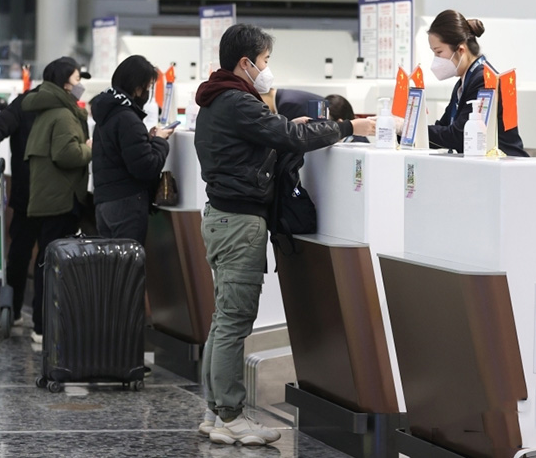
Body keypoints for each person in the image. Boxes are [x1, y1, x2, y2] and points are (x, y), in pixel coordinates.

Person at [193, 24, 375, 446]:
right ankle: (231, 416)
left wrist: (289, 125)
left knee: (223, 321)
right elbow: (288, 136)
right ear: (246, 63)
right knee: (235, 322)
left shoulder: (216, 99)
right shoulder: (237, 101)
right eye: (264, 62)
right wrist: (348, 127)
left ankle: (215, 412)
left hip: (222, 217)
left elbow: (272, 134)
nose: (266, 70)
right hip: (239, 223)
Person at [22, 57, 92, 343]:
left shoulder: (48, 110)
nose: (80, 85)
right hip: (61, 198)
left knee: (45, 262)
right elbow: (67, 155)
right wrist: (89, 148)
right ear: (65, 83)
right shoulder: (63, 115)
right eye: (77, 79)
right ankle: (44, 326)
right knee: (52, 265)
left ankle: (41, 324)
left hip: (48, 196)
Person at [91, 55, 173, 246]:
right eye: (148, 86)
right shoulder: (127, 118)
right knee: (128, 270)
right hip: (126, 203)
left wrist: (147, 140)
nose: (147, 92)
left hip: (104, 203)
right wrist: (160, 141)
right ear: (138, 87)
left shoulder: (107, 112)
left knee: (110, 269)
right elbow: (146, 167)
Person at [426, 9, 527, 156]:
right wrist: (404, 129)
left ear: (461, 49)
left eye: (439, 52)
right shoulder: (463, 83)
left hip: (507, 166)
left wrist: (407, 128)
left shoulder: (484, 80)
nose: (436, 59)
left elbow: (460, 135)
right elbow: (444, 128)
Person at [0, 85, 39, 326]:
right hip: (55, 196)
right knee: (46, 255)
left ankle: (12, 309)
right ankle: (42, 322)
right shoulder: (64, 108)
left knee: (19, 253)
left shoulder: (23, 103)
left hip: (25, 190)